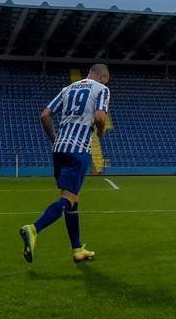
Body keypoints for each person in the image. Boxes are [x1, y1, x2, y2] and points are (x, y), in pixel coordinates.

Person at [19, 64, 111, 265]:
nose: (107, 82)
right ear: (102, 76)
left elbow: (45, 115)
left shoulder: (67, 89)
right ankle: (33, 229)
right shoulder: (102, 89)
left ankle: (77, 249)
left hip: (59, 149)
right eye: (107, 79)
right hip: (78, 150)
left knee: (72, 200)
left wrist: (54, 139)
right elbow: (99, 117)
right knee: (67, 199)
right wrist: (101, 131)